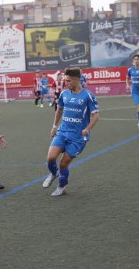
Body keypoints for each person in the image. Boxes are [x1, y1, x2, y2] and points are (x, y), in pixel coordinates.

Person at [42, 68, 99, 196]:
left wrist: (87, 129)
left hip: (78, 137)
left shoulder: (88, 96)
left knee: (63, 164)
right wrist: (54, 126)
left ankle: (61, 187)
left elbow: (96, 116)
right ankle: (53, 173)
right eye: (64, 81)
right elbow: (59, 110)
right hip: (62, 131)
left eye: (68, 81)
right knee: (50, 158)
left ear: (76, 80)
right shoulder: (64, 94)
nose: (65, 83)